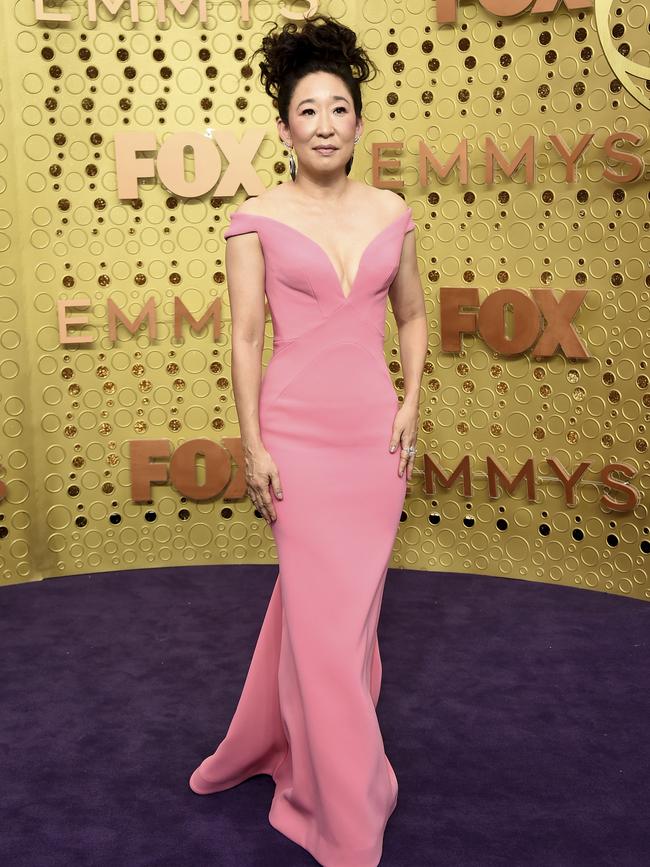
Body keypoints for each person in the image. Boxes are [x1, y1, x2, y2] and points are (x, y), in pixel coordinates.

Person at [188, 13, 428, 867]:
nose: (325, 124)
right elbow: (246, 338)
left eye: (338, 108)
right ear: (285, 129)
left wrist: (411, 403)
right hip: (294, 438)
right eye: (307, 112)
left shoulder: (394, 211)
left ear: (358, 121)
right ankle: (345, 809)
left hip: (372, 440)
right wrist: (252, 445)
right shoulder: (254, 217)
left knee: (344, 620)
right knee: (324, 628)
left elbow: (412, 314)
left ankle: (287, 747)